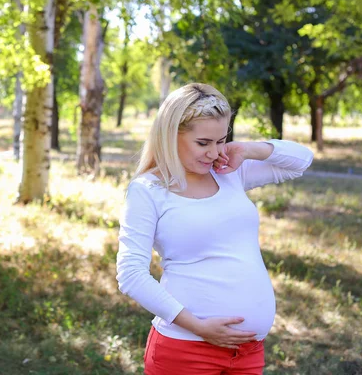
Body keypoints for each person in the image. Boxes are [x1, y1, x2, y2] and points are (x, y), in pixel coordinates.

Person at [116, 83, 314, 375]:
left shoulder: (229, 173)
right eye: (203, 142)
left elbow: (301, 161)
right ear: (171, 135)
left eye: (221, 140)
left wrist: (245, 149)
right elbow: (130, 274)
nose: (214, 152)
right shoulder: (148, 190)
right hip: (186, 351)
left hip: (247, 353)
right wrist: (199, 327)